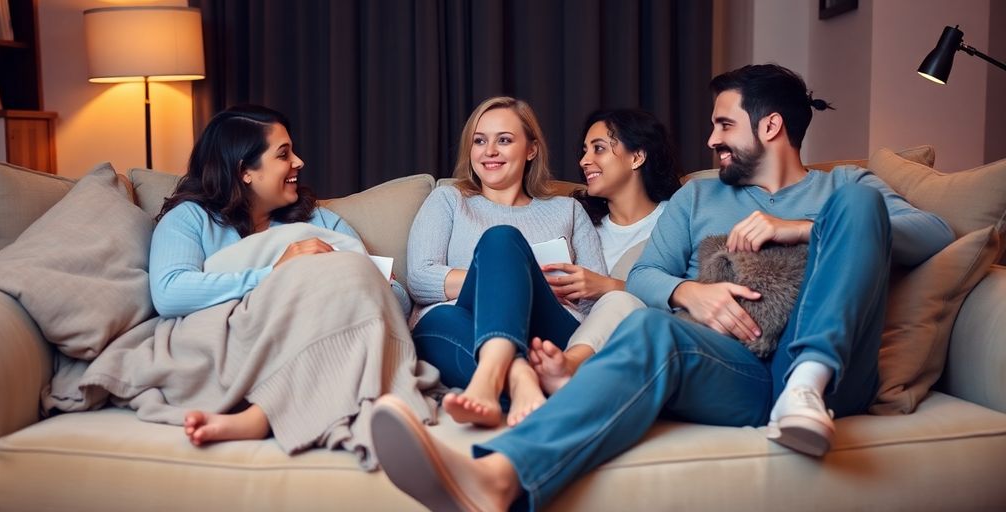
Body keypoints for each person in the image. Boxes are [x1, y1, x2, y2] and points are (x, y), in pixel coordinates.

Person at [371, 64, 955, 511]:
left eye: (724, 124)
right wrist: (687, 294)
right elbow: (644, 277)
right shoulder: (696, 198)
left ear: (770, 125)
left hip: (838, 378)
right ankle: (500, 478)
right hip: (747, 372)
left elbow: (932, 231)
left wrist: (799, 227)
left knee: (855, 207)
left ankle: (809, 380)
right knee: (651, 327)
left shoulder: (845, 185)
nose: (711, 140)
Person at [115, 104, 431, 457]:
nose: (298, 162)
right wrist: (276, 273)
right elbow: (170, 293)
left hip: (321, 333)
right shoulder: (190, 219)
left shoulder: (321, 222)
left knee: (352, 273)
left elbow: (394, 301)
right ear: (245, 171)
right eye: (284, 154)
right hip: (239, 343)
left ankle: (262, 415)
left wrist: (367, 283)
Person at [406, 96, 606, 428]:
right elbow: (420, 278)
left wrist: (533, 285)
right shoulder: (449, 200)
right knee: (445, 311)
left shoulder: (567, 210)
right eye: (479, 141)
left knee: (501, 239)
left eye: (504, 140)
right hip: (453, 324)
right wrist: (506, 277)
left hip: (548, 336)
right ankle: (519, 377)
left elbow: (598, 306)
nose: (490, 151)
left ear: (531, 149)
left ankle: (493, 379)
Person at [529, 108, 681, 394]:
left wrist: (606, 286)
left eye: (599, 149)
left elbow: (685, 300)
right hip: (563, 330)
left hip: (635, 346)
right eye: (585, 151)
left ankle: (568, 370)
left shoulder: (674, 219)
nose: (584, 161)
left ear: (637, 156)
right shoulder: (579, 224)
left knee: (620, 302)